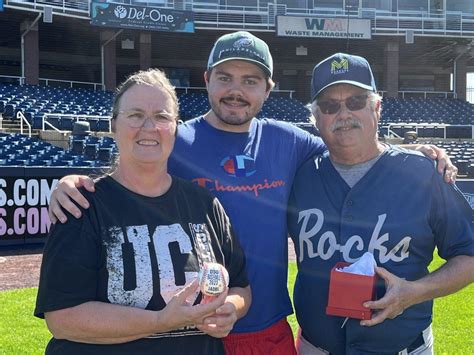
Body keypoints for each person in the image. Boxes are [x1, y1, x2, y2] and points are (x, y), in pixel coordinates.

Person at [47, 32, 457, 354]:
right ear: (207, 80)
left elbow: (353, 147)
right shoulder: (176, 137)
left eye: (250, 80)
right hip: (190, 331)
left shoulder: (291, 141)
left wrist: (413, 152)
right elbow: (135, 157)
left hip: (265, 324)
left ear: (267, 88)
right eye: (225, 77)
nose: (235, 90)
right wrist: (73, 181)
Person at [34, 69, 251, 354]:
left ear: (175, 127)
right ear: (114, 125)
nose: (149, 126)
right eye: (135, 115)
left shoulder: (205, 204)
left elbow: (240, 288)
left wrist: (229, 310)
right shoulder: (82, 205)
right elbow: (62, 319)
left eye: (161, 117)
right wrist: (160, 321)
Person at [287, 53, 474, 354]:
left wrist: (415, 292)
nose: (343, 113)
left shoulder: (424, 173)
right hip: (315, 347)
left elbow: (470, 255)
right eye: (330, 106)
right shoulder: (299, 174)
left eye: (356, 101)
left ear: (376, 107)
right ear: (316, 117)